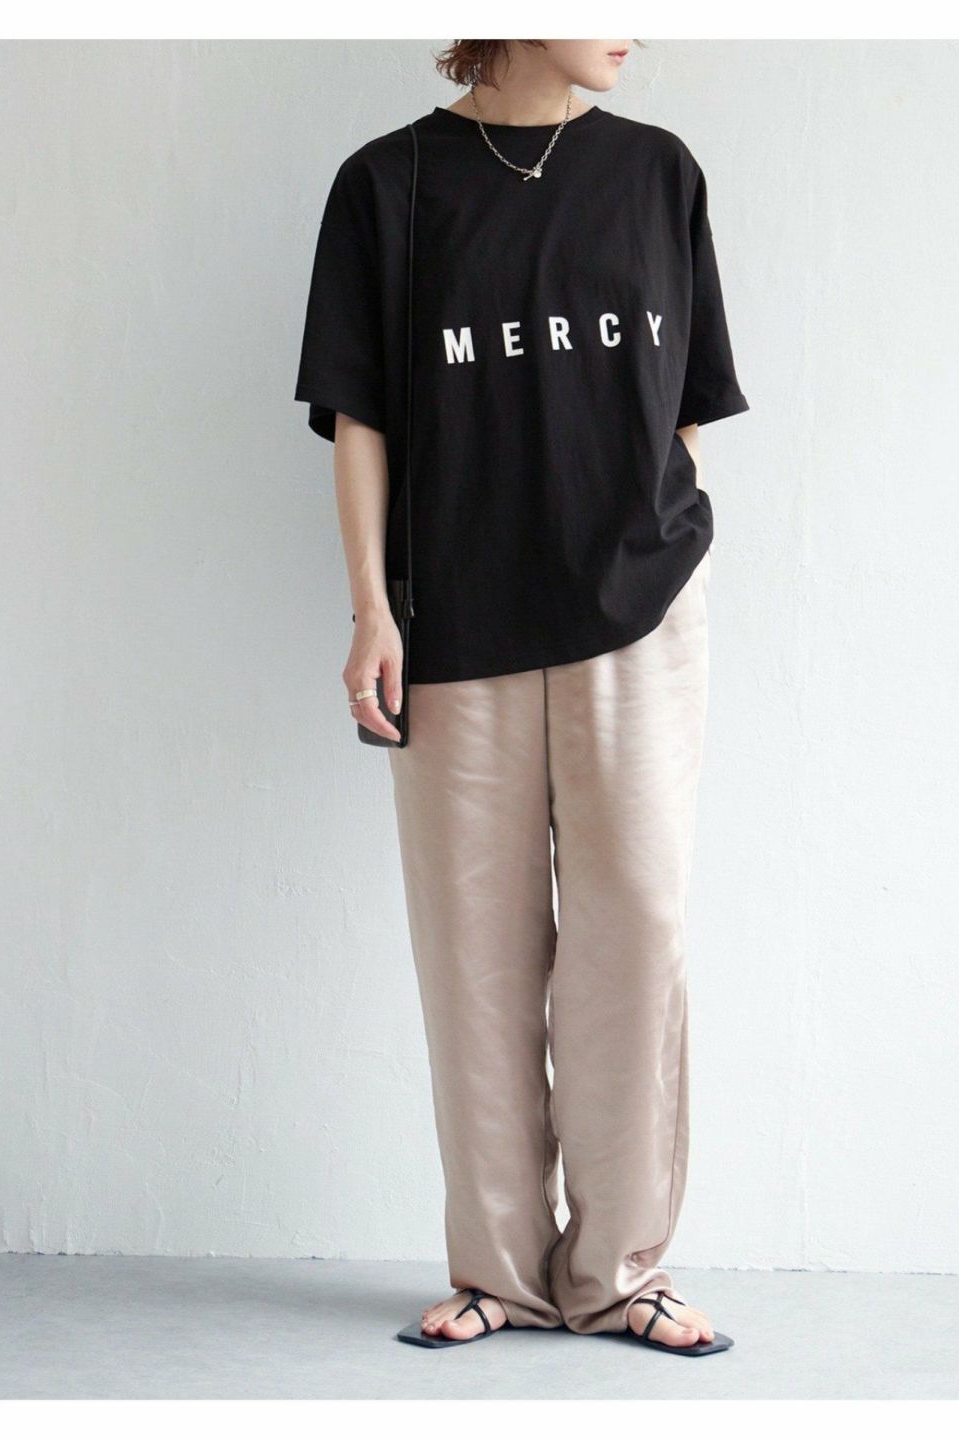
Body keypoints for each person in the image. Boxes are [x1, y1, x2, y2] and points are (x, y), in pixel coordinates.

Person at [294, 38, 749, 1355]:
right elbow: (362, 418)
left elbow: (686, 401)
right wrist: (373, 610)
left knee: (636, 936)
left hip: (639, 616)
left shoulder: (659, 175)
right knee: (474, 954)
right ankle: (500, 1270)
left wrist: (648, 529)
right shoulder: (387, 184)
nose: (634, 27)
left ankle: (621, 1271)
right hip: (455, 623)